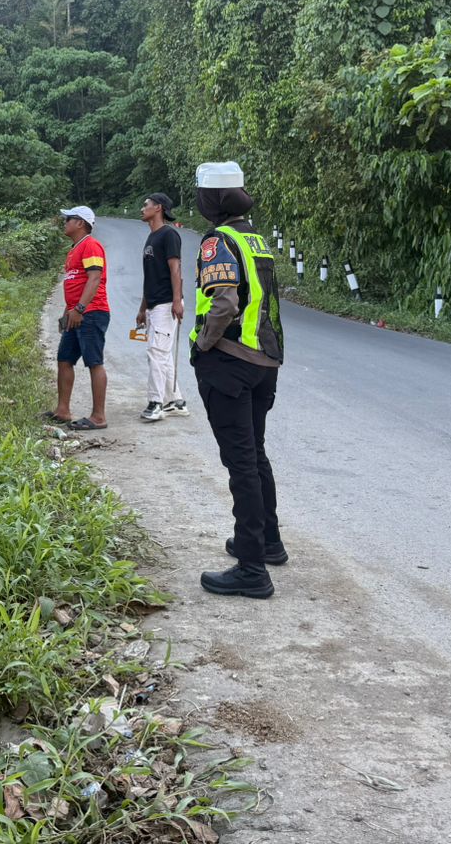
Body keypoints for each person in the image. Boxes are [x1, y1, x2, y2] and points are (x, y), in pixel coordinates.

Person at [189, 162, 286, 599]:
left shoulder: (217, 242)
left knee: (241, 463)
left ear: (211, 201)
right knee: (256, 454)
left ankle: (251, 568)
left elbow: (224, 302)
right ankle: (268, 543)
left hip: (229, 362)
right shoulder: (254, 238)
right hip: (264, 361)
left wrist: (205, 343)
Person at [47, 206, 109, 431]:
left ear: (81, 223)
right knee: (64, 359)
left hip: (91, 312)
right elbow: (75, 282)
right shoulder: (74, 249)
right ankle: (62, 410)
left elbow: (94, 278)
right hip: (76, 313)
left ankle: (98, 416)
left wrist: (80, 308)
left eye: (69, 219)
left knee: (94, 362)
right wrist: (67, 312)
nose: (65, 222)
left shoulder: (91, 245)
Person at [135, 193, 188, 423]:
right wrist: (142, 308)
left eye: (145, 205)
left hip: (167, 304)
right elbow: (150, 278)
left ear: (158, 208)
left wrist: (177, 301)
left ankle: (155, 403)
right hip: (154, 304)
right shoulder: (151, 237)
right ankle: (175, 401)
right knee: (162, 353)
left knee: (156, 353)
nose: (141, 208)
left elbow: (175, 269)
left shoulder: (169, 234)